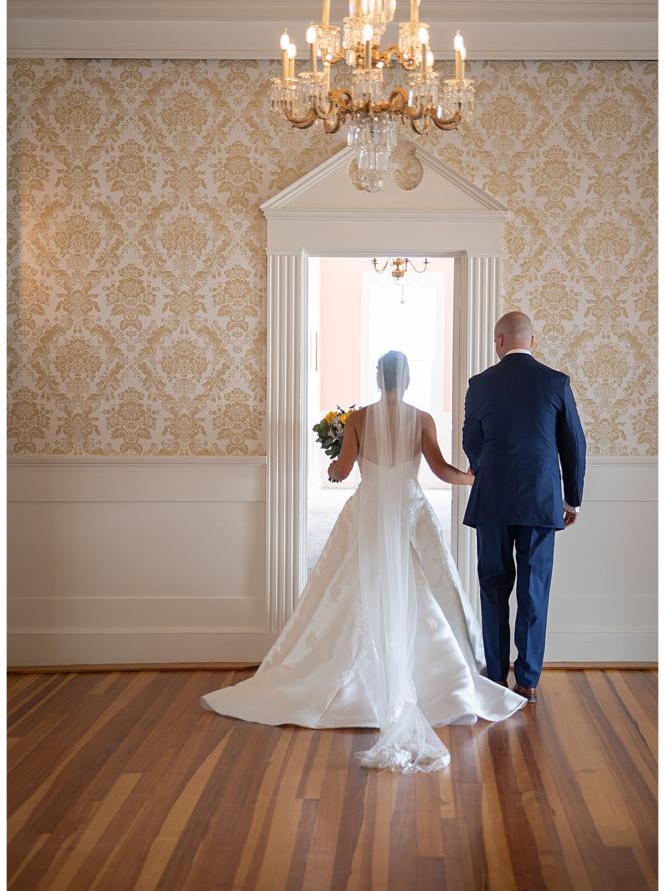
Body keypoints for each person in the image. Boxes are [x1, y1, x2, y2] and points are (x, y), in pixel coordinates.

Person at [201, 350, 526, 774]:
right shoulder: (422, 419)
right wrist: (474, 478)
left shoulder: (357, 420)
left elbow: (342, 469)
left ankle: (345, 684)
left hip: (371, 507)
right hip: (409, 508)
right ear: (407, 379)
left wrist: (334, 467)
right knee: (423, 585)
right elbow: (442, 469)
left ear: (378, 379)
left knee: (353, 583)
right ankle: (441, 681)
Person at [463, 311, 587, 702]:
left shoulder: (479, 385)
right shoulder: (555, 382)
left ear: (499, 340)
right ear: (531, 341)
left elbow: (471, 440)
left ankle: (497, 675)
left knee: (493, 587)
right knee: (534, 589)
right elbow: (574, 445)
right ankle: (528, 681)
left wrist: (485, 466)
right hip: (541, 501)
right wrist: (573, 499)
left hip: (493, 502)